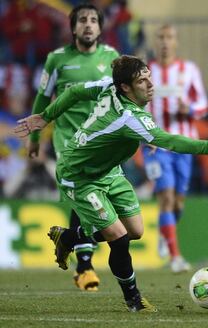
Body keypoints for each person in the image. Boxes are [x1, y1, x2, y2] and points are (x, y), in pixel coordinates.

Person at [15, 55, 208, 312]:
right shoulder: (128, 115)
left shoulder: (108, 85)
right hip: (79, 175)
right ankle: (133, 299)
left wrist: (46, 117)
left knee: (135, 231)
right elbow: (169, 141)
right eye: (141, 80)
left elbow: (75, 93)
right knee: (120, 238)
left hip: (109, 172)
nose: (150, 84)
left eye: (149, 76)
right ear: (125, 87)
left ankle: (68, 237)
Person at [28, 3, 119, 291]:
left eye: (94, 20)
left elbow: (123, 98)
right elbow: (43, 99)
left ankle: (69, 241)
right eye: (82, 20)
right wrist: (34, 137)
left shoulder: (112, 58)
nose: (88, 25)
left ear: (101, 28)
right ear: (73, 27)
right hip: (69, 139)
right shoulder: (57, 60)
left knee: (95, 200)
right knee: (85, 194)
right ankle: (85, 266)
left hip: (102, 140)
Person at [143, 24, 208, 272]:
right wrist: (143, 133)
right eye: (160, 37)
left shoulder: (188, 70)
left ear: (176, 42)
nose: (164, 42)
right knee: (166, 197)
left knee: (178, 202)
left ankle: (165, 232)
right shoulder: (146, 71)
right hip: (155, 146)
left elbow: (202, 104)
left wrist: (189, 109)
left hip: (184, 146)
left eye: (169, 37)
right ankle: (175, 257)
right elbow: (135, 103)